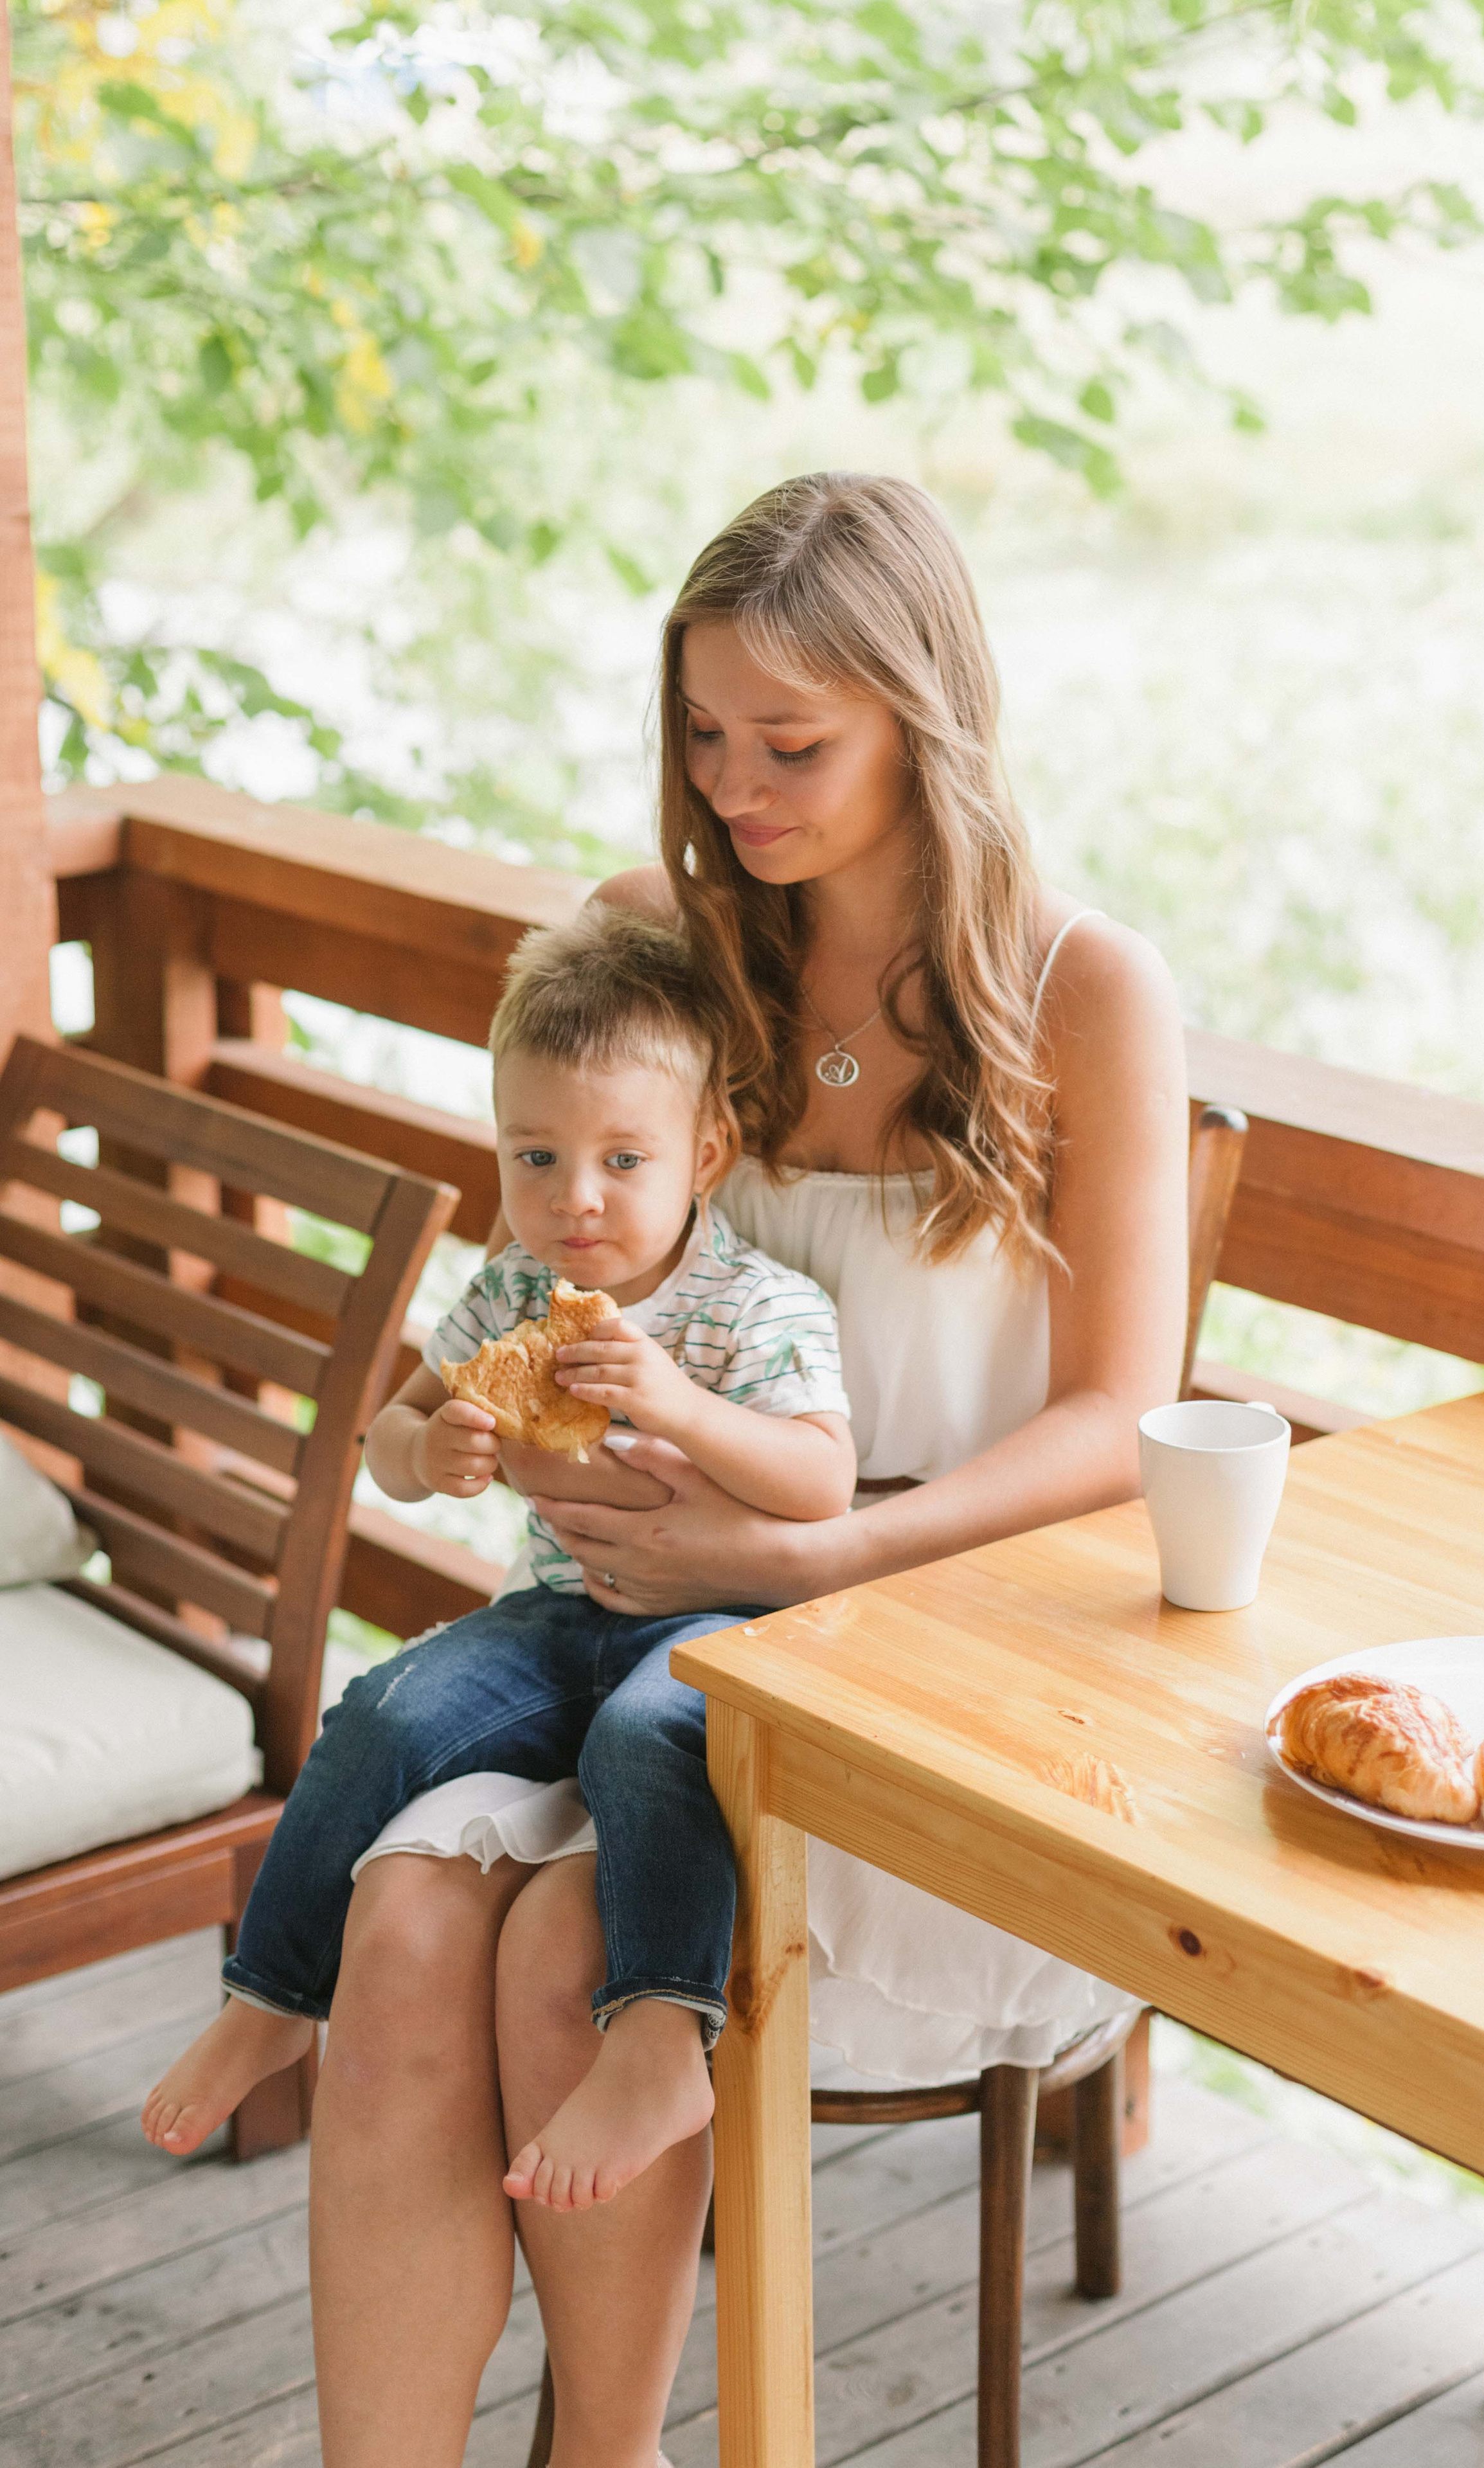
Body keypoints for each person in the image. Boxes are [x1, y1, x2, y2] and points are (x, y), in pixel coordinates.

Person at [299, 471, 1188, 2468]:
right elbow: (524, 1295)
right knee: (405, 1924)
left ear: (925, 722)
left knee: (557, 1935)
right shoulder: (648, 951)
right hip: (627, 1642)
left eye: (794, 745)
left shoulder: (1079, 994)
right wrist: (470, 1435)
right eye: (703, 735)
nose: (733, 791)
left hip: (932, 1690)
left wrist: (807, 1567)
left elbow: (1122, 1421)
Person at [140, 904, 855, 2208]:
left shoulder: (758, 1305)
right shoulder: (513, 1291)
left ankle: (654, 2037)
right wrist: (436, 1455)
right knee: (384, 1707)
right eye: (535, 1156)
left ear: (706, 1152)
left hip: (712, 1626)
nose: (572, 1200)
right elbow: (392, 1430)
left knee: (648, 1737)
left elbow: (822, 1481)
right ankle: (272, 1996)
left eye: (621, 1160)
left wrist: (678, 1404)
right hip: (553, 1612)